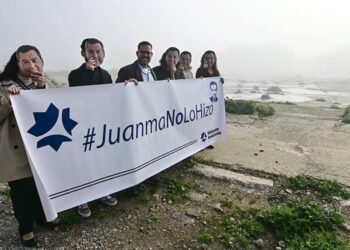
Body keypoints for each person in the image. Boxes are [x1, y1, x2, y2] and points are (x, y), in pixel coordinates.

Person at [0, 45, 57, 247]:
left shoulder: (43, 80)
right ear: (17, 63)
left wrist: (43, 88)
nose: (31, 65)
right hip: (16, 148)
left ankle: (42, 217)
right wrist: (7, 101)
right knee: (21, 191)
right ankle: (25, 229)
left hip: (40, 146)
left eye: (35, 60)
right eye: (25, 61)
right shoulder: (3, 83)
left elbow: (56, 106)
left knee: (40, 186)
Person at [68, 38, 117, 218]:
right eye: (91, 52)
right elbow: (80, 96)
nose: (95, 55)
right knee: (84, 164)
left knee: (101, 161)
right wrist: (89, 73)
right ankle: (82, 199)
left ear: (104, 54)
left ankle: (103, 191)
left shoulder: (106, 75)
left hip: (102, 125)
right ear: (83, 54)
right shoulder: (74, 74)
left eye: (98, 52)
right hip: (82, 127)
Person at [196, 50, 224, 149]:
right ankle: (201, 143)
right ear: (203, 59)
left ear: (215, 59)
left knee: (210, 123)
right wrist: (203, 71)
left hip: (212, 102)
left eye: (211, 58)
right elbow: (197, 84)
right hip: (203, 102)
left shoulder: (216, 71)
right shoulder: (200, 70)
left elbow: (217, 86)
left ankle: (208, 142)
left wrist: (221, 81)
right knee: (202, 123)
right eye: (207, 58)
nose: (209, 60)